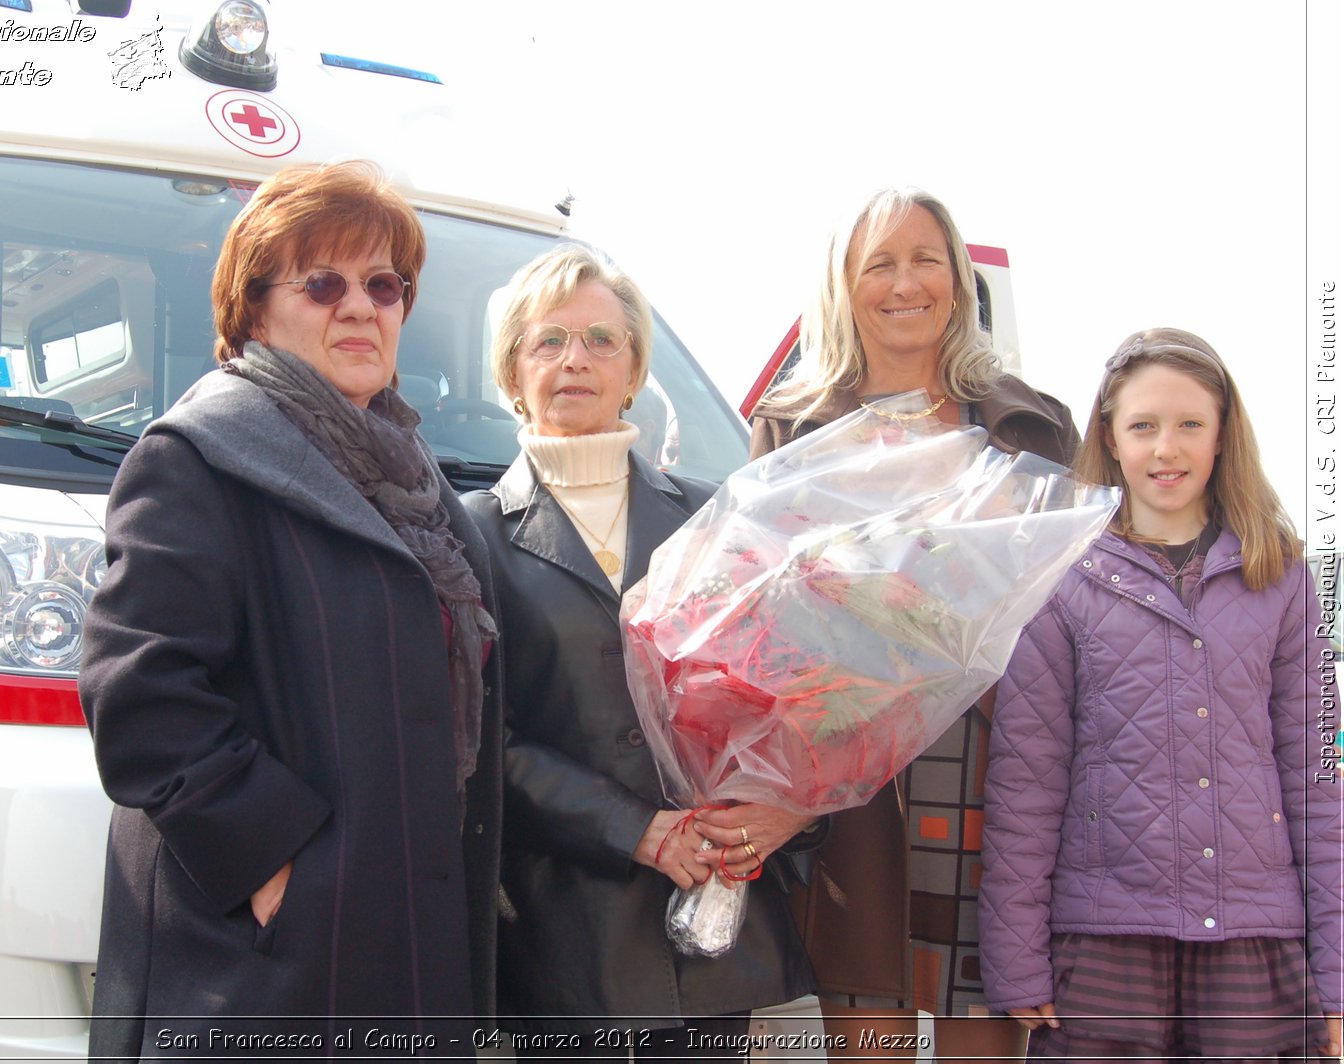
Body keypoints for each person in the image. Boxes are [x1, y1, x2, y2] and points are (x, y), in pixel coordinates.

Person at [80, 161, 502, 1058]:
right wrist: (278, 870)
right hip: (267, 960)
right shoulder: (198, 456)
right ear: (254, 308)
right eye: (323, 283)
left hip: (408, 936)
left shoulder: (420, 483)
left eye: (384, 284)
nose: (361, 307)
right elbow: (141, 693)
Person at [461, 244, 821, 1055]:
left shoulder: (718, 516)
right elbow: (476, 737)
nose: (574, 360)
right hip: (565, 936)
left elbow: (791, 697)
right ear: (512, 373)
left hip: (713, 927)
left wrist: (784, 809)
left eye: (600, 340)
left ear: (634, 371)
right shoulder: (469, 533)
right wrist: (636, 828)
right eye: (547, 341)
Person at [749, 187, 1079, 1062]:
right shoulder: (790, 427)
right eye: (879, 263)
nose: (906, 283)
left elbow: (1075, 607)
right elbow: (758, 618)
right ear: (843, 285)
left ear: (959, 276)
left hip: (1000, 772)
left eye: (926, 258)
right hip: (855, 782)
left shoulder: (1031, 424)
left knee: (985, 1032)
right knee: (871, 1040)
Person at [980, 328, 1343, 1061]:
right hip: (1106, 941)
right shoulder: (1062, 580)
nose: (1166, 449)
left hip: (1255, 940)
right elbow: (1027, 780)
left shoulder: (1283, 580)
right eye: (1143, 426)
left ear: (1221, 437)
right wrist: (1015, 956)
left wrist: (1336, 977)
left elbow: (1320, 782)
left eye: (1189, 426)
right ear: (1110, 438)